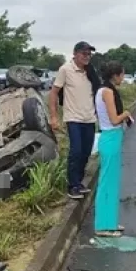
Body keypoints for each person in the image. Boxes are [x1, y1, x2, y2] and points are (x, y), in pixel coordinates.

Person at [49, 41, 101, 200]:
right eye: (84, 54)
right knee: (76, 151)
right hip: (73, 118)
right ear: (75, 54)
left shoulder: (90, 72)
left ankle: (78, 182)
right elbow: (53, 93)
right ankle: (72, 186)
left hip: (89, 118)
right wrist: (53, 116)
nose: (87, 57)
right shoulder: (66, 69)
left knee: (86, 152)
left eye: (89, 54)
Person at [94, 61, 132, 237]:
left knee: (111, 181)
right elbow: (114, 119)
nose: (123, 78)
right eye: (122, 75)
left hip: (112, 138)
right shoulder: (107, 92)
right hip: (110, 137)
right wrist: (125, 114)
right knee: (107, 182)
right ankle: (103, 226)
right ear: (115, 75)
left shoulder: (104, 90)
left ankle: (109, 222)